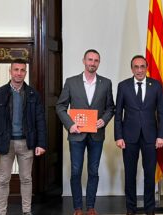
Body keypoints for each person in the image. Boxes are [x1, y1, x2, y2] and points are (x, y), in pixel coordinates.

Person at [56, 49, 115, 215]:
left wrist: (103, 120)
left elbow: (111, 107)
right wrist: (70, 124)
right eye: (90, 60)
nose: (92, 63)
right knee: (75, 171)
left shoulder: (106, 83)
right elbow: (60, 107)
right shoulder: (71, 82)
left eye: (96, 60)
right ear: (83, 61)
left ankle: (90, 206)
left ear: (99, 63)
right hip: (76, 134)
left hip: (96, 134)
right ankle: (77, 207)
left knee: (93, 171)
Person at [0, 59, 47, 215]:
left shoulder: (33, 94)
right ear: (10, 71)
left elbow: (40, 120)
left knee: (26, 179)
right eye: (16, 70)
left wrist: (41, 143)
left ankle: (27, 211)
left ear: (25, 73)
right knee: (3, 180)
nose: (19, 73)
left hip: (27, 143)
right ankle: (1, 212)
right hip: (5, 144)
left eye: (22, 70)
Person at [114, 55, 163, 215]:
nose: (139, 70)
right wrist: (118, 136)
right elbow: (118, 114)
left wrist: (161, 135)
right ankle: (131, 208)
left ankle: (150, 209)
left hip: (151, 137)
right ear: (132, 69)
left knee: (150, 174)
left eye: (142, 66)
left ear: (147, 67)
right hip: (128, 137)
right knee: (130, 174)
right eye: (136, 67)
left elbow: (162, 113)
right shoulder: (123, 86)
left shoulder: (156, 86)